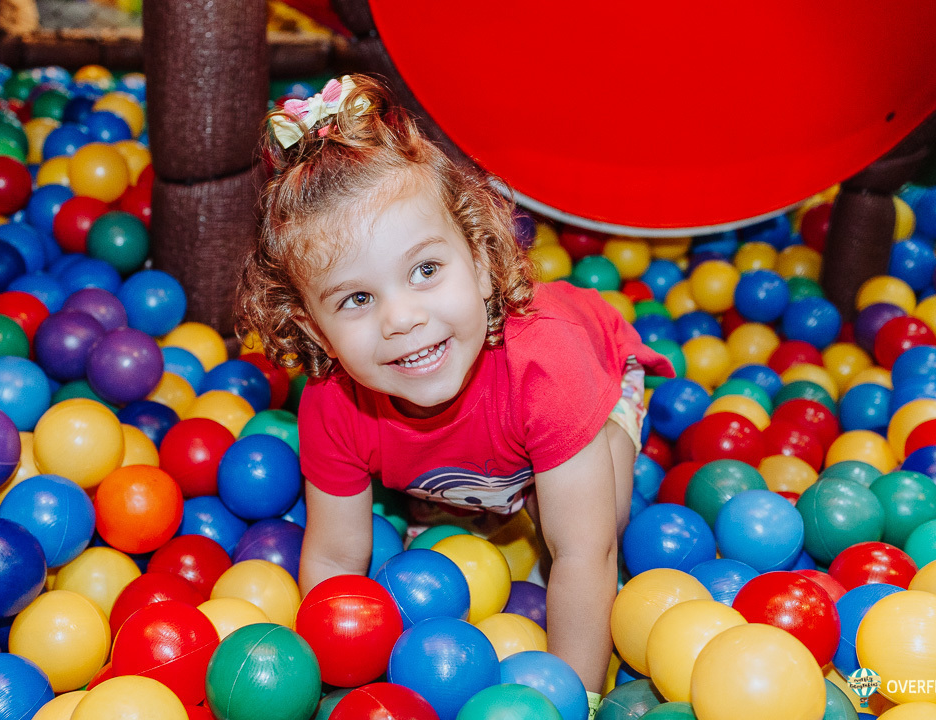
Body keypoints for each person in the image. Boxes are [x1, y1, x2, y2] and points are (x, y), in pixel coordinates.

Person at [235, 74, 674, 710]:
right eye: (357, 299)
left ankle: (566, 463)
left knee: (595, 518)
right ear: (315, 330)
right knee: (448, 525)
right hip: (490, 444)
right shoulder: (333, 402)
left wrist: (572, 695)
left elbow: (587, 552)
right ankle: (487, 495)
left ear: (481, 261)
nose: (402, 318)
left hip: (595, 375)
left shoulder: (545, 368)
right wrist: (328, 678)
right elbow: (333, 555)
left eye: (425, 270)